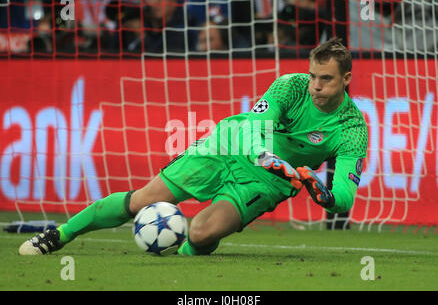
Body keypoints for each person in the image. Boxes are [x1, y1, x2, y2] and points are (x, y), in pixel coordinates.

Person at [19, 37, 368, 256]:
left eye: (326, 79)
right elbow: (255, 125)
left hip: (265, 182)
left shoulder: (352, 128)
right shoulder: (290, 86)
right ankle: (59, 235)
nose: (315, 86)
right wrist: (266, 155)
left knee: (201, 234)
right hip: (227, 145)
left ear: (346, 80)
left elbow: (343, 197)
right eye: (313, 76)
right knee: (143, 200)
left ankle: (184, 254)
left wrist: (321, 193)